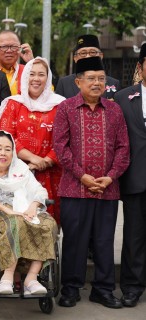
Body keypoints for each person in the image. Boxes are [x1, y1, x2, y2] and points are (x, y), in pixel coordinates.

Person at [53, 56, 129, 309]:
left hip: (108, 189)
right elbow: (60, 148)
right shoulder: (65, 109)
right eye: (91, 79)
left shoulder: (115, 109)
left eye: (101, 79)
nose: (97, 83)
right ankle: (71, 289)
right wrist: (82, 176)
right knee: (74, 240)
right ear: (78, 82)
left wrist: (110, 177)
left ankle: (103, 289)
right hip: (74, 188)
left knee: (104, 241)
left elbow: (123, 148)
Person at [0, 130, 57, 295]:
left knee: (49, 224)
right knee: (14, 223)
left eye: (8, 149)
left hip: (24, 207)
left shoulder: (20, 168)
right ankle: (7, 277)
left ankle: (31, 278)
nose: (3, 153)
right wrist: (7, 209)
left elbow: (39, 190)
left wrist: (33, 206)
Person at [0, 57, 65, 225]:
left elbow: (65, 138)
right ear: (25, 77)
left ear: (47, 79)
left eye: (41, 74)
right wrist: (33, 160)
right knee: (21, 221)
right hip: (19, 171)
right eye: (31, 74)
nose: (36, 78)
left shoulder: (60, 105)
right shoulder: (14, 104)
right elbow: (6, 137)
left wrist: (47, 161)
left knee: (49, 224)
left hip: (53, 173)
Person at [114, 42, 146, 308]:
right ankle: (132, 287)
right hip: (135, 180)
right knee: (134, 237)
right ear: (140, 67)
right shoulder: (124, 97)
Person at [55, 35, 120, 100]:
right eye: (83, 53)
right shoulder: (64, 83)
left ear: (101, 56)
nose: (88, 56)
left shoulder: (114, 83)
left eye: (92, 52)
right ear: (75, 58)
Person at [0, 30, 34, 96]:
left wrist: (31, 63)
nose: (9, 50)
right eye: (4, 47)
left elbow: (46, 92)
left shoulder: (28, 71)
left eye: (14, 47)